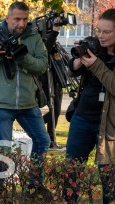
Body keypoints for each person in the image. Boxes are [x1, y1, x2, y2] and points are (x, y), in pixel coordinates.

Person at [0, 1, 49, 197]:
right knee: (4, 147)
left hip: (28, 103)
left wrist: (21, 56)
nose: (21, 23)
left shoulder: (33, 37)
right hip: (1, 103)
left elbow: (42, 66)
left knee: (42, 141)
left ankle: (34, 185)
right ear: (7, 18)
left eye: (25, 19)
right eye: (17, 19)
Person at [61, 9, 115, 204]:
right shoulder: (95, 48)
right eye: (99, 31)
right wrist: (77, 60)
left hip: (109, 125)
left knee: (109, 177)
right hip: (83, 117)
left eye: (107, 32)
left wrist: (96, 65)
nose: (101, 36)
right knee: (72, 168)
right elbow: (71, 72)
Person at [39, 20, 65, 149]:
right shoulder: (42, 44)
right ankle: (37, 125)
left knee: (56, 110)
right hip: (47, 81)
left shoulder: (55, 46)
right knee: (54, 111)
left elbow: (65, 60)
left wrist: (60, 59)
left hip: (57, 81)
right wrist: (55, 31)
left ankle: (51, 140)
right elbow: (45, 49)